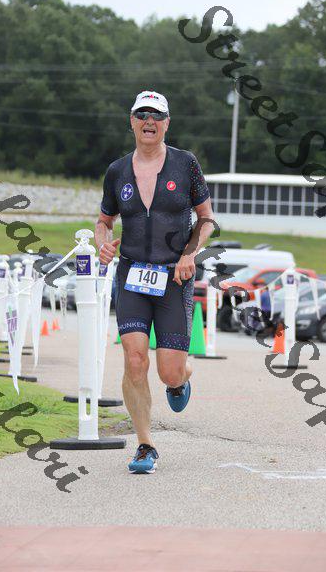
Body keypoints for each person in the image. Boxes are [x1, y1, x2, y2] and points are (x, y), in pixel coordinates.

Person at [95, 90, 215, 474]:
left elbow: (207, 219)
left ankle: (182, 378)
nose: (149, 121)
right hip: (132, 274)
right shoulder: (117, 171)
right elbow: (104, 221)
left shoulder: (186, 164)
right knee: (134, 359)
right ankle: (145, 445)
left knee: (168, 372)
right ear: (132, 121)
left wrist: (189, 254)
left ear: (167, 123)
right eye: (142, 114)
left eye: (157, 115)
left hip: (174, 277)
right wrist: (102, 244)